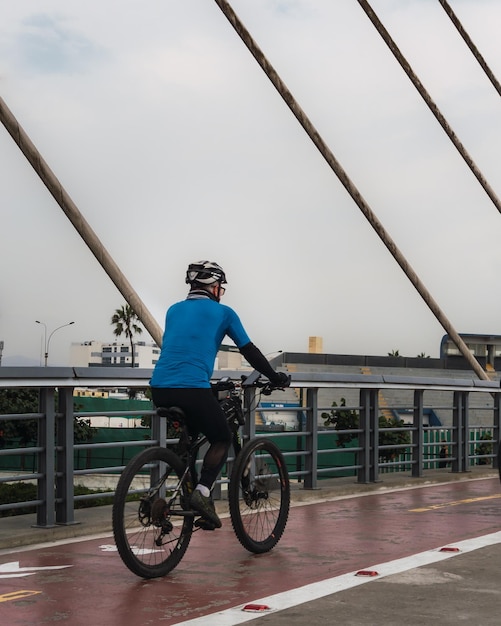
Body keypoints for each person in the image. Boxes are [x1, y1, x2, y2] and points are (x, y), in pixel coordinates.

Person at [150, 260, 290, 528]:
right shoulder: (224, 313)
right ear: (213, 287)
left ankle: (185, 493)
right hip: (191, 388)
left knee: (190, 440)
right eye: (220, 288)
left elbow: (183, 349)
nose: (220, 293)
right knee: (222, 437)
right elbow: (248, 350)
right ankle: (202, 493)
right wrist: (275, 378)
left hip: (160, 388)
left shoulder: (173, 310)